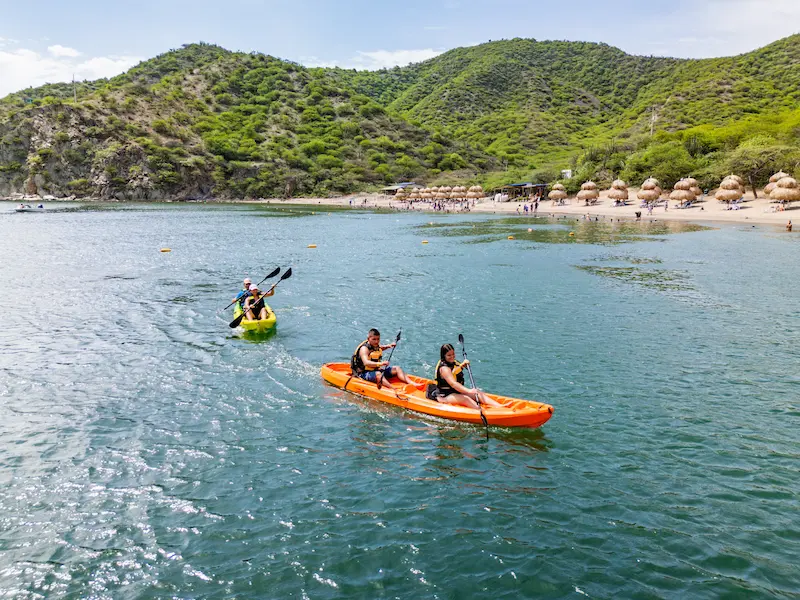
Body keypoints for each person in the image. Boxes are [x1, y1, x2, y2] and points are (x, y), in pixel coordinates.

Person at [428, 344, 506, 408]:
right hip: (444, 395)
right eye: (449, 355)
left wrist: (462, 365)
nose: (452, 357)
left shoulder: (453, 362)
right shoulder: (444, 369)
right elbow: (453, 384)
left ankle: (499, 406)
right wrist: (469, 391)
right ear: (443, 356)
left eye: (453, 354)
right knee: (465, 399)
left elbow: (455, 371)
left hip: (454, 392)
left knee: (477, 393)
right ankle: (482, 411)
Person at [350, 328, 424, 391]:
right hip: (364, 373)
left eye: (378, 339)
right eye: (374, 339)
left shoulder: (375, 345)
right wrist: (381, 364)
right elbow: (366, 362)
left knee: (397, 368)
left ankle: (413, 383)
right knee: (378, 374)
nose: (376, 341)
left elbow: (379, 348)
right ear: (368, 338)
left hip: (375, 370)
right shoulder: (364, 349)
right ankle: (392, 389)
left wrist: (389, 346)